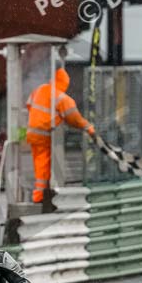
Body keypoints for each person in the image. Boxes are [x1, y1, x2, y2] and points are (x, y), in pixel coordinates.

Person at [27, 67, 95, 204]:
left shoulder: (40, 89)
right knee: (43, 165)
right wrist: (88, 127)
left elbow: (29, 104)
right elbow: (74, 119)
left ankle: (42, 192)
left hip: (32, 133)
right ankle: (39, 196)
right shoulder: (61, 98)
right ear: (65, 83)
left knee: (38, 163)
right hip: (45, 135)